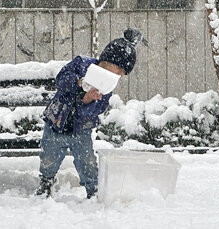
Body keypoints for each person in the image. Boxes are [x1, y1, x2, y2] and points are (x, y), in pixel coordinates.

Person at [35, 28, 144, 199]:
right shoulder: (81, 63)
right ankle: (46, 180)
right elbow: (61, 80)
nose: (121, 76)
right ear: (110, 61)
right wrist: (78, 83)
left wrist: (87, 100)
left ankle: (93, 189)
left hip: (81, 129)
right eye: (121, 71)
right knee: (49, 156)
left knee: (87, 162)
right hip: (57, 122)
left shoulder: (107, 85)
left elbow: (98, 109)